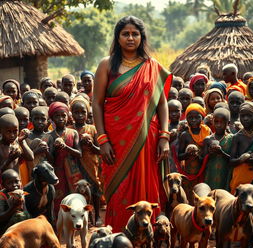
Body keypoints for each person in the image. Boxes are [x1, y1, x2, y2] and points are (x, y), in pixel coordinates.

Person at [92, 16, 171, 232]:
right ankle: (117, 237)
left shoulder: (152, 66)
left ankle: (147, 239)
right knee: (118, 191)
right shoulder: (106, 65)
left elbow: (162, 104)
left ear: (141, 38)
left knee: (147, 191)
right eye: (125, 33)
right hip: (115, 141)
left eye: (135, 34)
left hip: (147, 140)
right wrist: (103, 139)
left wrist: (165, 137)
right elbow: (96, 104)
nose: (130, 38)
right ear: (117, 38)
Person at [70, 97, 102, 226]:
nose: (80, 115)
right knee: (79, 191)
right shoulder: (69, 129)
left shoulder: (92, 129)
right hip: (74, 164)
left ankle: (98, 216)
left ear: (87, 113)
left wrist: (90, 145)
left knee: (95, 189)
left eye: (82, 112)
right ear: (71, 114)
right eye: (76, 112)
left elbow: (100, 150)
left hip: (91, 163)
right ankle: (84, 218)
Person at [47, 102, 82, 213]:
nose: (61, 118)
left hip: (73, 171)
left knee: (74, 197)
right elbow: (51, 160)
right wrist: (54, 149)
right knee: (59, 199)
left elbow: (79, 153)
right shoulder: (49, 136)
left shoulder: (73, 133)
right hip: (58, 171)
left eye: (63, 115)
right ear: (52, 118)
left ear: (67, 116)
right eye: (57, 116)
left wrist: (65, 147)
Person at [176, 103, 211, 203]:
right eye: (190, 118)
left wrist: (200, 156)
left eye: (197, 117)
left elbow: (207, 153)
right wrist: (188, 155)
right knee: (189, 196)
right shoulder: (185, 135)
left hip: (203, 170)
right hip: (189, 172)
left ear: (202, 117)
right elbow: (179, 156)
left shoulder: (207, 132)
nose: (194, 120)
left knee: (202, 194)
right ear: (186, 118)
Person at [229, 101, 253, 194]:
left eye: (249, 116)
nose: (245, 119)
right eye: (242, 116)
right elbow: (231, 161)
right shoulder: (237, 137)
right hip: (241, 179)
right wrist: (242, 159)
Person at [203, 108, 233, 190]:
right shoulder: (208, 139)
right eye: (216, 122)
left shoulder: (232, 139)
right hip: (210, 174)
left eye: (222, 122)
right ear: (212, 121)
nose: (219, 125)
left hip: (225, 174)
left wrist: (221, 152)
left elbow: (233, 160)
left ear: (228, 123)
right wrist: (210, 153)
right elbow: (203, 160)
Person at [0, 169, 30, 235]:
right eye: (9, 183)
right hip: (5, 229)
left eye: (16, 181)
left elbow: (26, 211)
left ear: (21, 182)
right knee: (19, 216)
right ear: (3, 185)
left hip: (21, 225)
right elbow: (1, 218)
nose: (14, 185)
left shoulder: (22, 192)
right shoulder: (2, 196)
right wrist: (13, 208)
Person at [26, 106, 52, 179]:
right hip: (30, 171)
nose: (39, 122)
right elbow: (24, 158)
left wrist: (46, 152)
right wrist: (37, 151)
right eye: (36, 119)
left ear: (48, 120)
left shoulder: (50, 136)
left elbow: (52, 160)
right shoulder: (26, 136)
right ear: (31, 120)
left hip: (46, 173)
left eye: (43, 119)